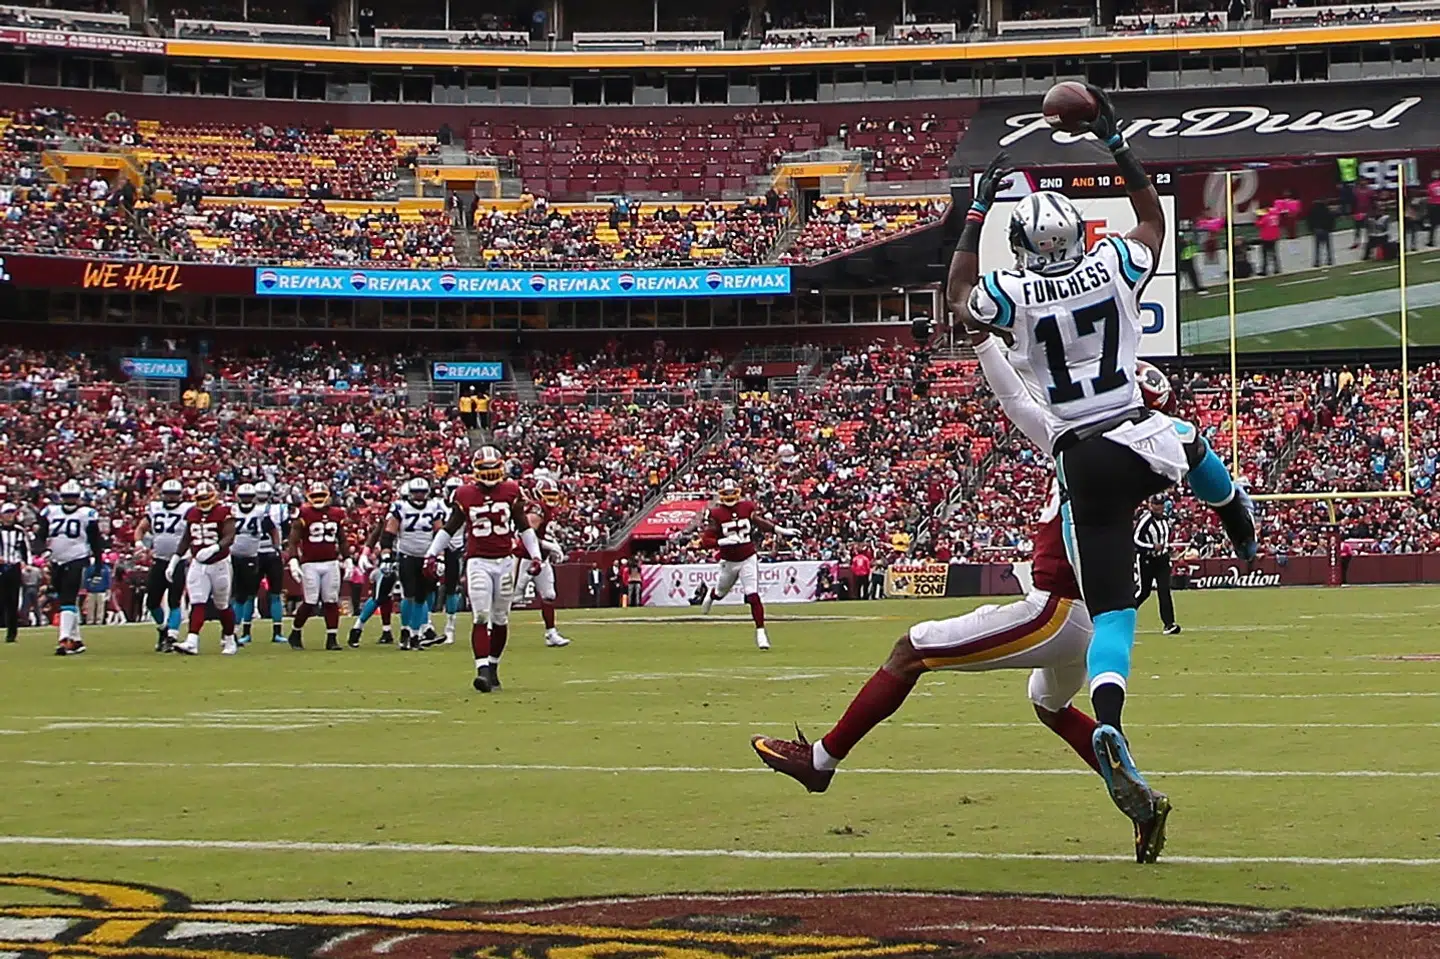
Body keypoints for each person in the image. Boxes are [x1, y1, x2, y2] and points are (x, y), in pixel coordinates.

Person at [945, 90, 1257, 854]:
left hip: (1082, 456)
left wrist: (976, 215)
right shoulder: (1112, 263)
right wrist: (1114, 140)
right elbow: (1151, 220)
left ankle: (1110, 723)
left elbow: (958, 298)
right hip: (1137, 427)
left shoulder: (1012, 292)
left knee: (1114, 613)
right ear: (1079, 234)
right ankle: (1239, 517)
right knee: (1192, 446)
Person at [426, 446, 544, 692]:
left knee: (500, 618)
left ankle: (493, 667)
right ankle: (481, 671)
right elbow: (450, 527)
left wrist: (535, 555)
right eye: (485, 469)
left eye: (493, 468)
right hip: (478, 561)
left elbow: (523, 527)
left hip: (504, 561)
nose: (490, 474)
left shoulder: (511, 490)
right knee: (480, 615)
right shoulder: (464, 493)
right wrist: (431, 553)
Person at [693, 479, 799, 650]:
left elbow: (759, 522)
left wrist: (780, 531)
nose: (729, 496)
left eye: (731, 492)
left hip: (748, 557)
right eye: (725, 493)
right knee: (720, 593)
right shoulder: (716, 513)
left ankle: (761, 633)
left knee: (752, 595)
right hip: (729, 561)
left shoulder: (746, 507)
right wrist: (724, 541)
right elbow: (705, 542)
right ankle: (711, 596)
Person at [372, 476, 446, 650]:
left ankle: (415, 634)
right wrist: (386, 555)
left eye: (422, 492)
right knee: (409, 594)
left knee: (421, 596)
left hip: (427, 555)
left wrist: (440, 556)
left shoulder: (434, 506)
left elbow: (439, 533)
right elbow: (389, 533)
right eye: (416, 492)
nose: (419, 495)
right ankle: (405, 631)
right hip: (407, 555)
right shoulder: (400, 507)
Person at [35, 480, 106, 656]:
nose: (70, 501)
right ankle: (76, 640)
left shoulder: (86, 514)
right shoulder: (51, 511)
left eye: (72, 498)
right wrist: (42, 550)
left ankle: (64, 638)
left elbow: (96, 541)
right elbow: (40, 535)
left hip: (77, 558)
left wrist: (98, 564)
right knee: (65, 600)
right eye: (67, 497)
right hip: (57, 560)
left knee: (68, 598)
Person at [168, 480, 238, 655]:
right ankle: (192, 641)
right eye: (201, 498)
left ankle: (230, 639)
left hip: (220, 563)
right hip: (198, 564)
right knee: (197, 602)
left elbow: (230, 536)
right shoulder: (192, 513)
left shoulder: (224, 511)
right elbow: (186, 538)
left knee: (222, 605)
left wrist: (213, 549)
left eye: (207, 497)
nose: (204, 501)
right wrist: (174, 560)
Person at [286, 481, 352, 651]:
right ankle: (295, 633)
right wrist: (293, 559)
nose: (318, 499)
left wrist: (348, 558)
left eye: (321, 495)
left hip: (330, 562)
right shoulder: (304, 513)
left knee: (331, 601)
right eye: (315, 496)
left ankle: (332, 638)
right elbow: (293, 539)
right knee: (310, 601)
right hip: (310, 564)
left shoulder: (337, 513)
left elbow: (342, 539)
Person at [511, 475, 571, 648]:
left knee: (549, 595)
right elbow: (528, 535)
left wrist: (552, 546)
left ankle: (551, 633)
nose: (551, 498)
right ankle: (492, 629)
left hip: (541, 560)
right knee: (510, 598)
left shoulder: (545, 508)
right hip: (524, 559)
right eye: (548, 494)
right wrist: (552, 546)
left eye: (554, 494)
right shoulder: (536, 508)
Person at [133, 478, 191, 652]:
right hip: (159, 560)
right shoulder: (155, 508)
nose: (171, 498)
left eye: (174, 495)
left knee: (175, 601)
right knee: (151, 602)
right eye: (168, 494)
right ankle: (163, 629)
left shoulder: (187, 509)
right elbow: (140, 529)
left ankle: (171, 637)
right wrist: (139, 544)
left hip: (178, 560)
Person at [230, 483, 279, 649]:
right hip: (233, 556)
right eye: (243, 497)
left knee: (244, 595)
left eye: (248, 497)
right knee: (236, 596)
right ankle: (235, 631)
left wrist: (277, 547)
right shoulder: (231, 511)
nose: (246, 500)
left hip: (253, 556)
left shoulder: (261, 513)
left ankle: (235, 631)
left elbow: (274, 530)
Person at [1133, 498, 1179, 635]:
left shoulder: (1166, 519)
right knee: (1143, 592)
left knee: (1164, 590)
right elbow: (1135, 540)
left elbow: (1163, 539)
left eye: (1161, 504)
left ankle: (1169, 624)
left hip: (1162, 560)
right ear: (1150, 505)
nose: (1159, 507)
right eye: (1156, 504)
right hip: (1147, 560)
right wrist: (1152, 547)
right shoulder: (1145, 520)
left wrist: (1167, 548)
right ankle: (1121, 617)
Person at [252, 481, 289, 643]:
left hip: (255, 553)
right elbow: (285, 531)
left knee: (248, 596)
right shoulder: (279, 509)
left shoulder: (243, 510)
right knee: (274, 594)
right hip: (270, 553)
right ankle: (276, 631)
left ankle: (245, 631)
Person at [0, 503, 29, 642]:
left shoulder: (19, 531)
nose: (10, 516)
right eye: (7, 513)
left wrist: (25, 563)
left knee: (13, 600)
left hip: (14, 567)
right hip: (1, 567)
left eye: (12, 513)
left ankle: (12, 634)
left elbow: (25, 549)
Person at [82, 560, 111, 626]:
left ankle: (99, 621)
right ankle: (90, 621)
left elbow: (108, 581)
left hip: (101, 591)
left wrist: (108, 591)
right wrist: (87, 587)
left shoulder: (105, 569)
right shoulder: (90, 569)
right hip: (91, 591)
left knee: (100, 607)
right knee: (90, 607)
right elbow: (86, 579)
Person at [1308, 199, 1335, 268]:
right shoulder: (1327, 210)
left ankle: (1317, 261)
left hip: (1317, 230)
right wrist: (1330, 229)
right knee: (1328, 246)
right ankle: (1330, 260)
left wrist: (1311, 229)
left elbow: (1310, 221)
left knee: (1317, 247)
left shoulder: (1313, 211)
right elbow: (1331, 219)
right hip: (1325, 230)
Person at [1256, 204, 1281, 276]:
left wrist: (1257, 219)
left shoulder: (1266, 217)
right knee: (1273, 253)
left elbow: (1259, 224)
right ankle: (1276, 268)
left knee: (1265, 254)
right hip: (1274, 237)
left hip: (1266, 237)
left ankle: (1264, 270)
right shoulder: (1275, 216)